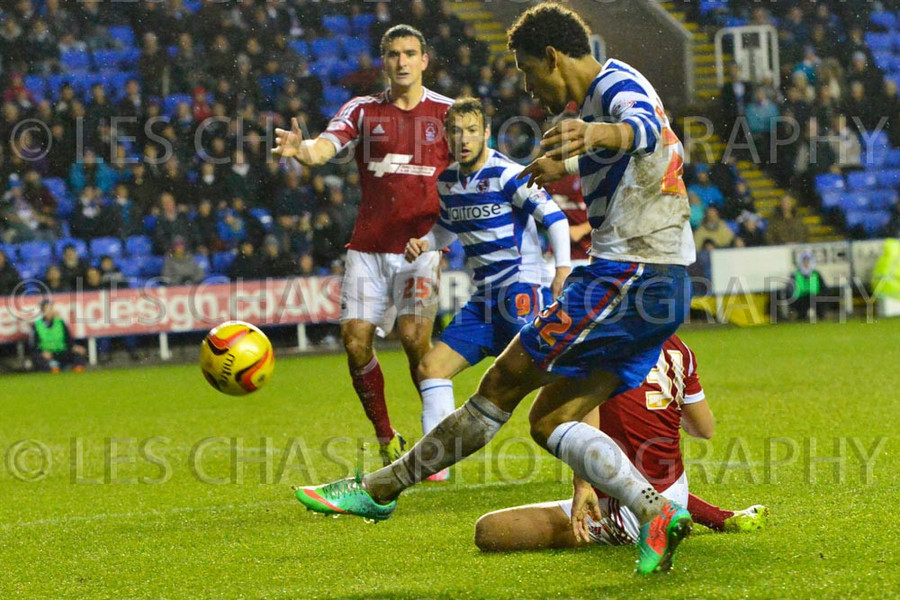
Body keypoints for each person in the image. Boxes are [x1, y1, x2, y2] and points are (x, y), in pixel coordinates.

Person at [294, 3, 696, 576]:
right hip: (663, 284)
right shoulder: (605, 94)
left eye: (529, 72)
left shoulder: (612, 86)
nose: (529, 87)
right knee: (550, 419)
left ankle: (380, 488)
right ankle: (655, 514)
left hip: (629, 276)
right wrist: (575, 159)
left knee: (502, 383)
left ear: (552, 57)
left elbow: (645, 130)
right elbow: (641, 155)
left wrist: (593, 134)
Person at [273, 24, 453, 465]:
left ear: (424, 60)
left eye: (409, 53)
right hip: (368, 249)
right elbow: (323, 148)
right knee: (355, 342)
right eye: (393, 54)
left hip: (420, 248)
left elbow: (475, 169)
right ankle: (386, 437)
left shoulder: (448, 114)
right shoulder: (362, 110)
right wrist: (302, 150)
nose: (402, 62)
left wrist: (446, 236)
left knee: (414, 338)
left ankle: (437, 446)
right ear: (383, 62)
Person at [404, 98, 572, 481]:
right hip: (483, 298)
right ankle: (434, 467)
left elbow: (556, 219)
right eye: (456, 131)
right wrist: (426, 243)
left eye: (471, 131)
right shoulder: (448, 182)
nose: (464, 139)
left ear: (486, 133)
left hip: (521, 289)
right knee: (430, 368)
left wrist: (561, 270)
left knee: (555, 372)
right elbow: (448, 229)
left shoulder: (507, 174)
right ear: (446, 136)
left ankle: (603, 440)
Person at [473, 335, 768, 551]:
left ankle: (654, 520)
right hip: (673, 490)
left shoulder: (600, 342)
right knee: (645, 472)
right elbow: (704, 429)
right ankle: (711, 516)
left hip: (626, 510)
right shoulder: (681, 349)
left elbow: (586, 412)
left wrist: (583, 484)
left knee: (489, 531)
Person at [29, 298, 87, 373]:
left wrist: (74, 346)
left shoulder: (60, 322)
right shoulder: (37, 325)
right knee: (37, 357)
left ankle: (77, 368)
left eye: (51, 308)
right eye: (47, 309)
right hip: (47, 353)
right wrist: (42, 352)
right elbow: (33, 345)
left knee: (78, 353)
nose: (50, 311)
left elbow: (68, 338)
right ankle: (53, 368)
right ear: (43, 311)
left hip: (60, 352)